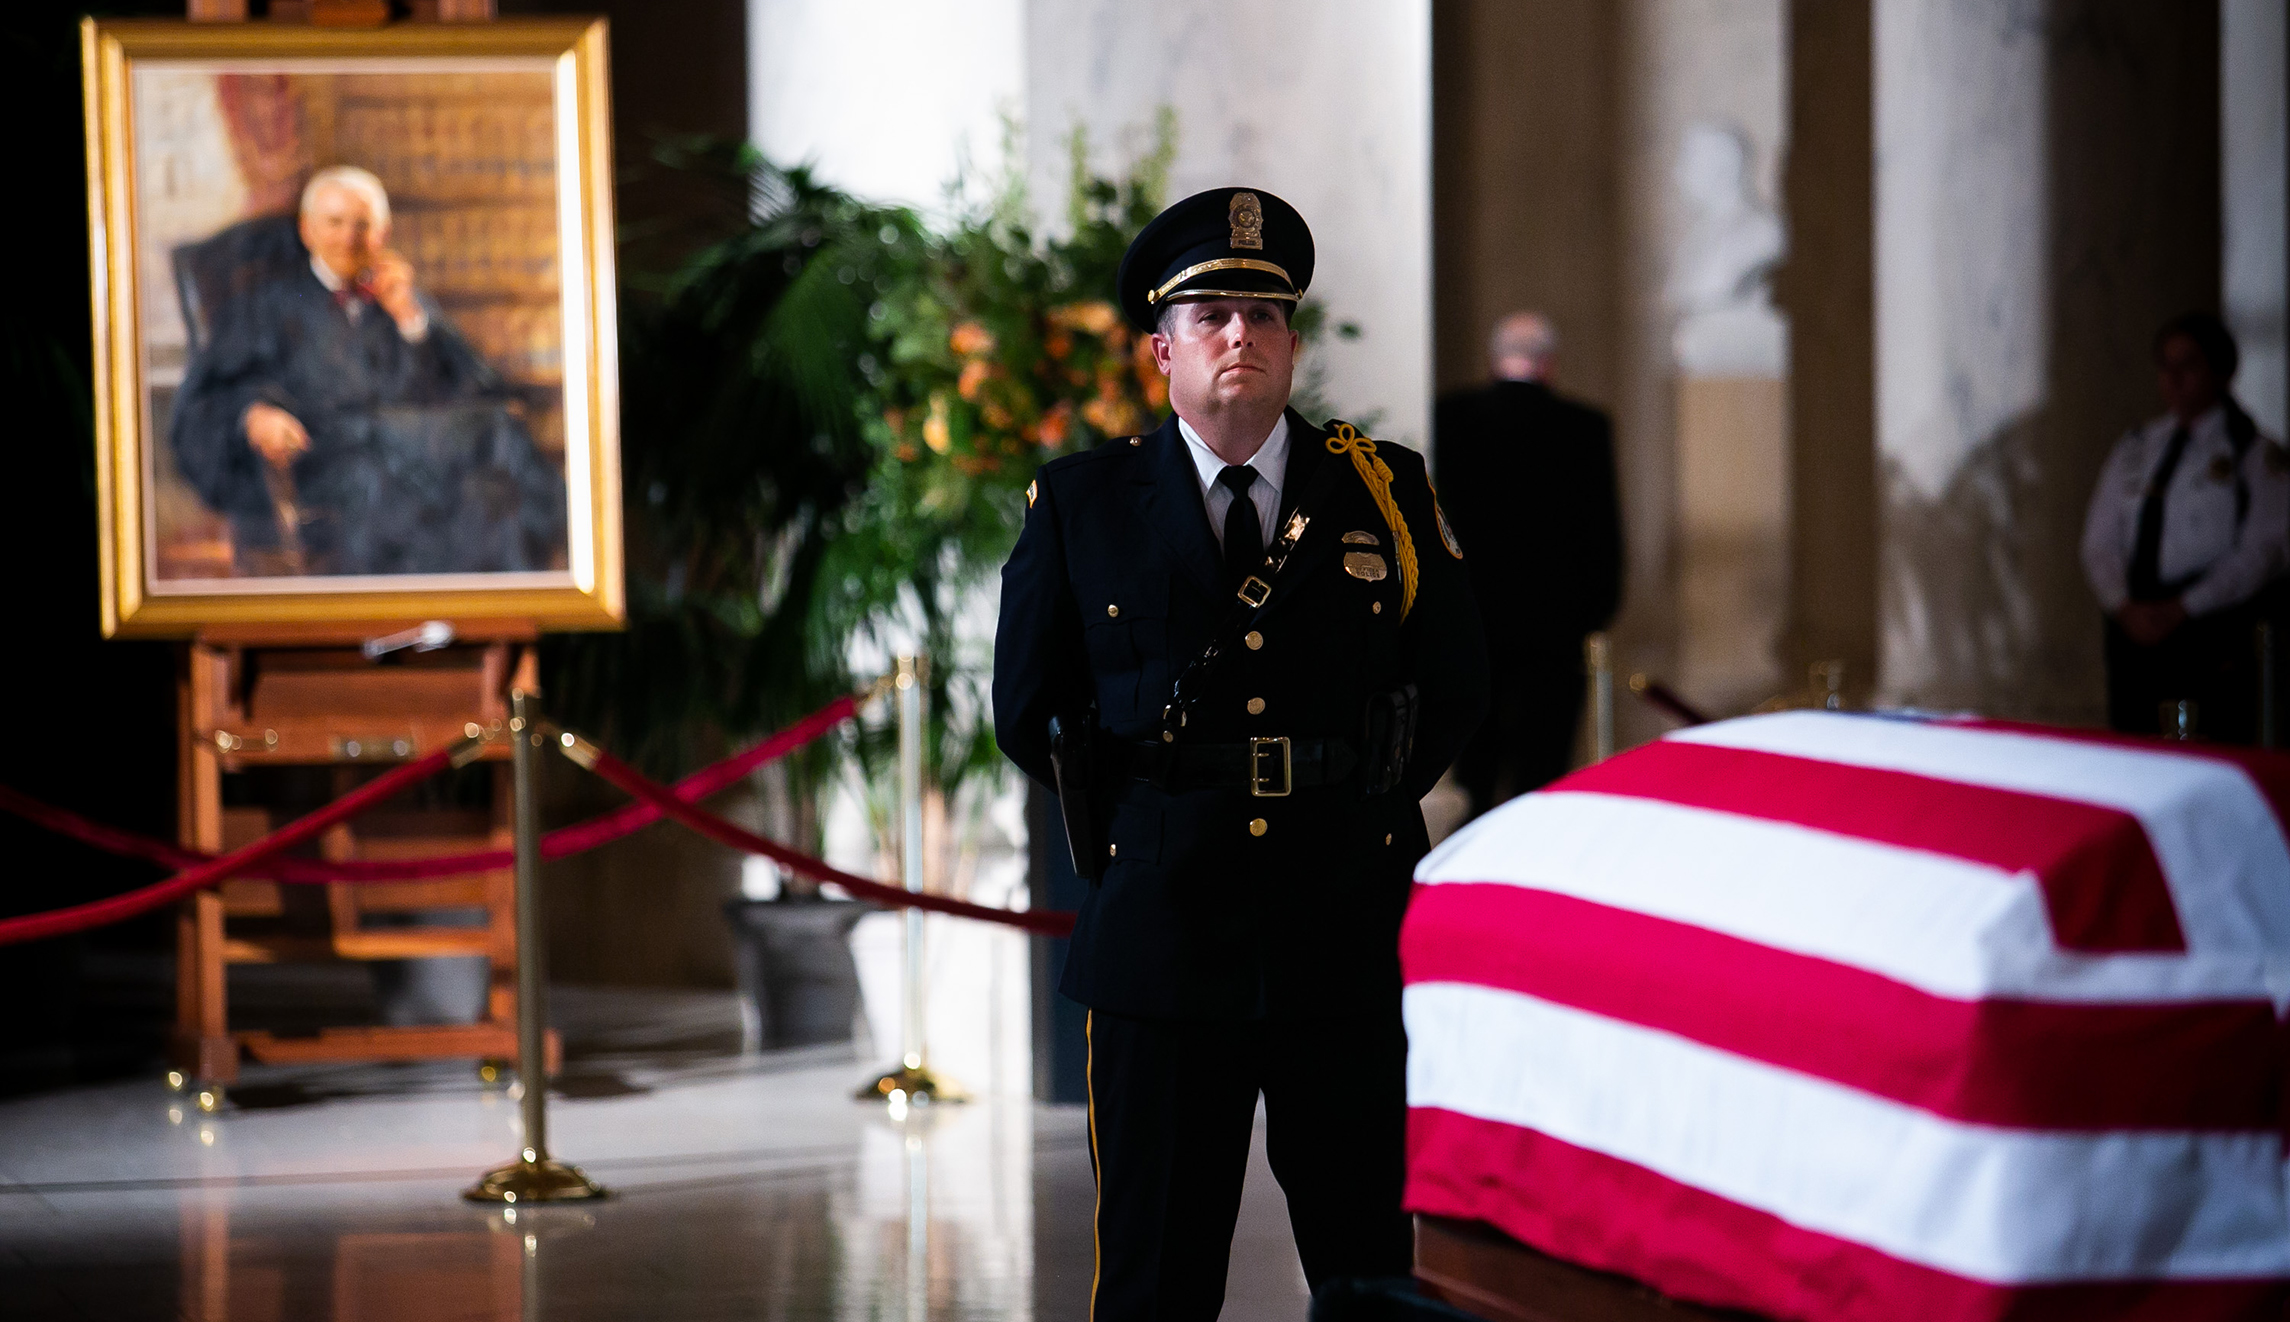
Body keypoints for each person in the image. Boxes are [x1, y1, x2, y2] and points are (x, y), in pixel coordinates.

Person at [993, 187, 1489, 1319]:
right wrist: (1141, 821)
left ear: (1292, 344)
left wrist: (1355, 797)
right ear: (1159, 347)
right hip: (1161, 934)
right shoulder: (1081, 503)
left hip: (1343, 921)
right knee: (1157, 1272)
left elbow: (1457, 680)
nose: (1239, 336)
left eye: (1263, 316)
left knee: (1366, 1259)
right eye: (1211, 313)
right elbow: (1028, 707)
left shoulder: (1384, 488)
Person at [169, 165, 566, 577]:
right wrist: (252, 414)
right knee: (496, 433)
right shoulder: (267, 305)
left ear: (384, 234)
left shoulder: (400, 295)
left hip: (412, 450)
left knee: (492, 491)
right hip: (326, 456)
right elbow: (211, 392)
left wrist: (411, 320)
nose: (348, 239)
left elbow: (472, 385)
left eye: (363, 225)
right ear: (307, 231)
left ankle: (496, 617)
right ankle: (572, 552)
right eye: (334, 223)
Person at [1432, 312, 1622, 814]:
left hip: (1474, 617)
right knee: (1544, 764)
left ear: (1496, 359)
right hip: (1555, 625)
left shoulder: (1450, 417)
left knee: (1476, 760)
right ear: (1550, 363)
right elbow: (1603, 530)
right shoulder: (1585, 427)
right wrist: (1597, 610)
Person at [2082, 312, 2290, 743]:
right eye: (2165, 366)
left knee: (2209, 741)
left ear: (2221, 371)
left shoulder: (2251, 452)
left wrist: (2187, 606)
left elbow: (2263, 550)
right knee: (2134, 743)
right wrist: (2122, 604)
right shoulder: (2137, 447)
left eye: (2188, 365)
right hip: (2136, 619)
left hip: (2208, 624)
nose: (2174, 379)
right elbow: (2099, 541)